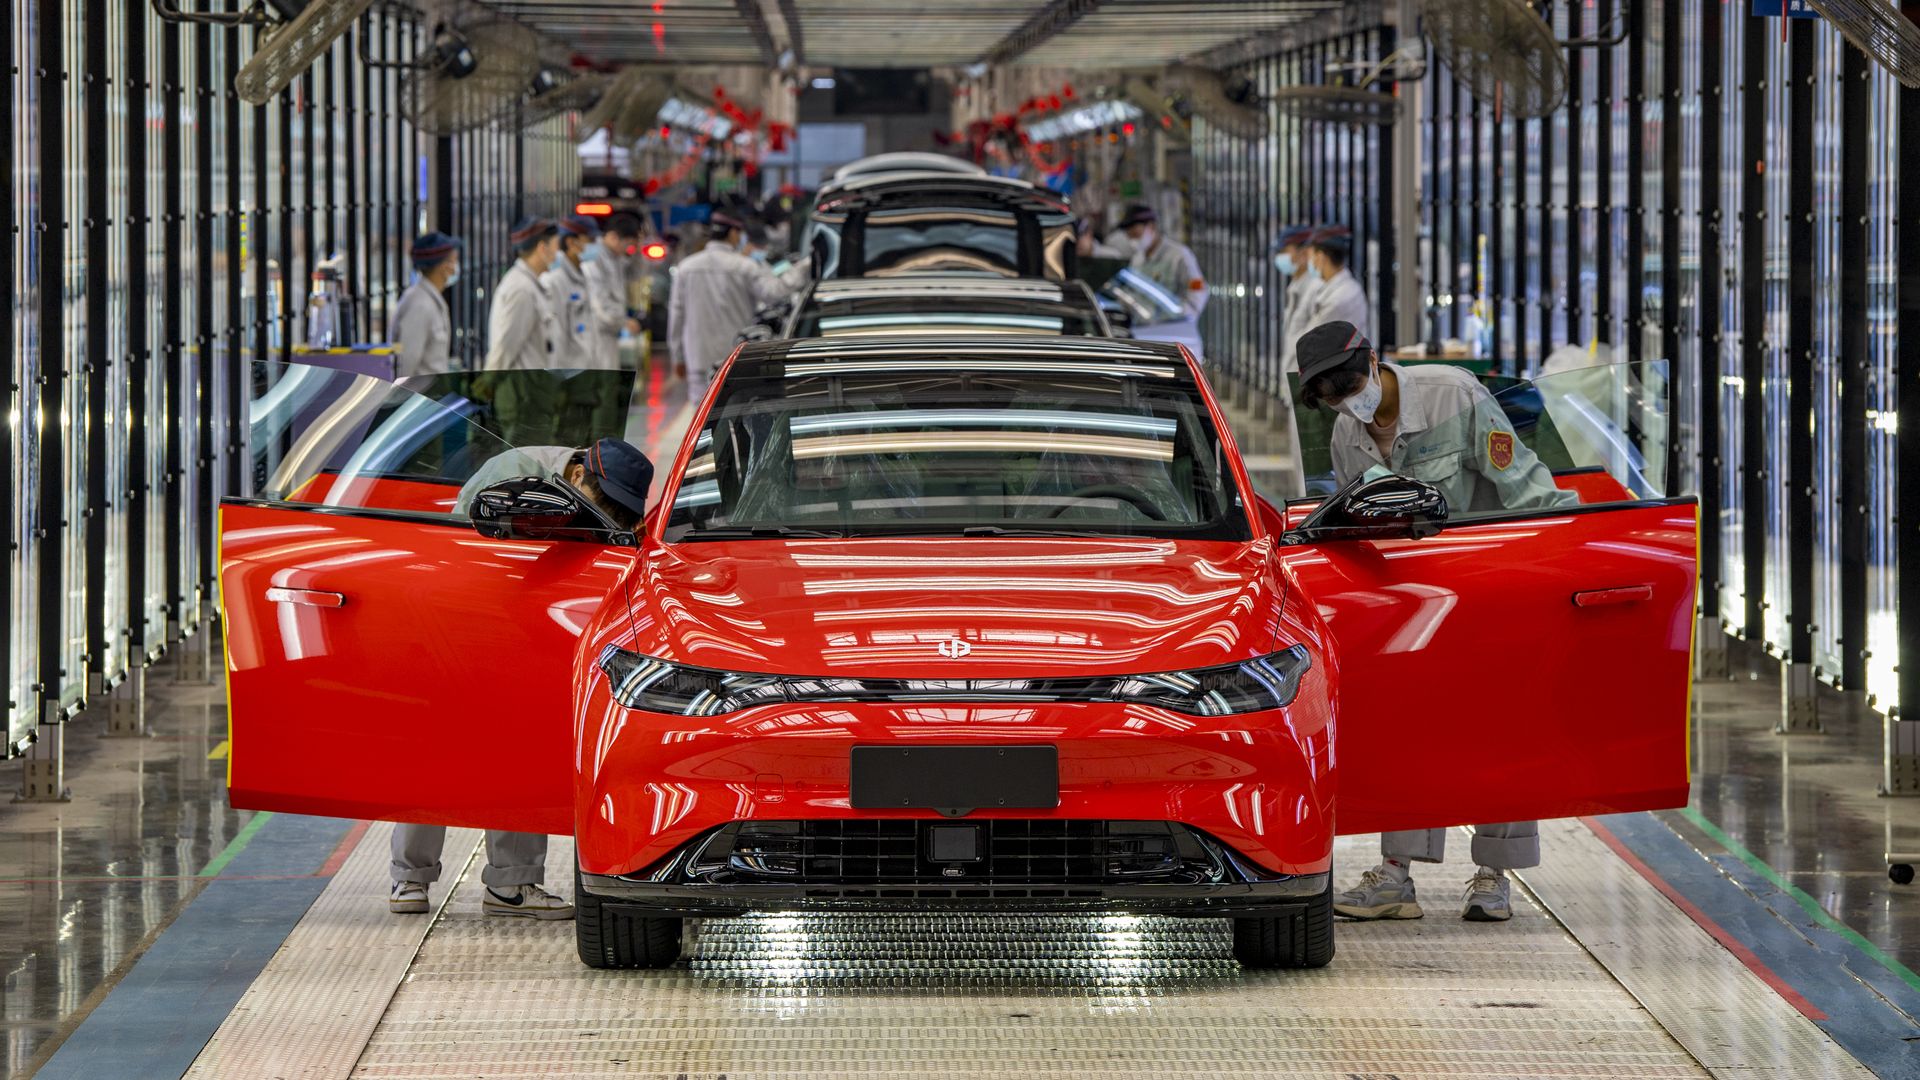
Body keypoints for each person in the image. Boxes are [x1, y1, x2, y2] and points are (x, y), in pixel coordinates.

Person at [1293, 321, 1573, 922]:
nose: (1345, 402)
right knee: (1408, 729)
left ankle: (1493, 876)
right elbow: (1355, 518)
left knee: (1501, 729)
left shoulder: (1454, 394)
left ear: (1371, 362)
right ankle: (1397, 877)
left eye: (1346, 384)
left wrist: (1565, 558)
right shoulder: (1348, 431)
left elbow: (1524, 485)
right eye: (1328, 396)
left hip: (1487, 593)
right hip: (1412, 605)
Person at [391, 438, 654, 919]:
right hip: (468, 615)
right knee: (440, 745)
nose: (609, 520)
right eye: (605, 507)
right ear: (577, 477)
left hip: (529, 631)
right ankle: (409, 876)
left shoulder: (597, 500)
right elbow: (462, 549)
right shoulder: (515, 474)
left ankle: (511, 886)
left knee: (519, 750)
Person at [667, 211, 803, 400]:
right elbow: (774, 292)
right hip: (735, 358)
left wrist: (677, 357)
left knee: (700, 417)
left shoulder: (686, 268)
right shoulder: (744, 267)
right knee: (735, 413)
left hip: (698, 358)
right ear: (733, 234)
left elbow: (676, 316)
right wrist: (803, 269)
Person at [483, 216, 561, 371]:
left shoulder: (532, 285)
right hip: (520, 392)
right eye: (556, 246)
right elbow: (505, 346)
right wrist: (488, 383)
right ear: (542, 248)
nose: (558, 253)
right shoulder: (521, 289)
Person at [389, 231, 462, 377]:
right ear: (443, 267)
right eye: (454, 260)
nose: (456, 267)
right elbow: (407, 364)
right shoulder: (419, 305)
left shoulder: (430, 299)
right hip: (419, 395)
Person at [543, 215, 603, 369]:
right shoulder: (554, 281)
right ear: (571, 243)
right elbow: (555, 336)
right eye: (590, 241)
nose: (596, 247)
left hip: (585, 370)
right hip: (566, 374)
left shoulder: (584, 277)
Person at [585, 213, 644, 370]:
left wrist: (638, 251)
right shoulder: (595, 258)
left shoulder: (614, 257)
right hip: (597, 331)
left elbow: (635, 274)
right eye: (627, 245)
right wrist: (623, 321)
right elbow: (598, 303)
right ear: (613, 237)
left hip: (609, 330)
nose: (627, 250)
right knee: (602, 381)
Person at [1300, 226, 1371, 339]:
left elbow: (1309, 341)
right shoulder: (1339, 288)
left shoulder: (1338, 299)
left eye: (1311, 256)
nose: (1310, 262)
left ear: (1321, 257)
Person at [1274, 224, 1320, 375]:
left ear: (1304, 253)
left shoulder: (1315, 288)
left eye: (1285, 251)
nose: (1280, 257)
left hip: (1307, 376)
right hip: (1295, 376)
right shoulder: (1295, 286)